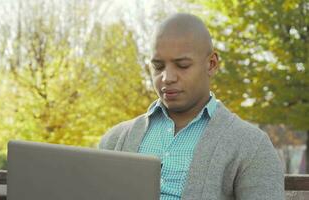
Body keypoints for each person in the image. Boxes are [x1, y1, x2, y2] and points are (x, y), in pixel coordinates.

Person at [98, 13, 284, 200]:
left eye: (182, 65)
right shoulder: (115, 140)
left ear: (211, 64)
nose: (167, 77)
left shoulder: (251, 146)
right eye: (158, 66)